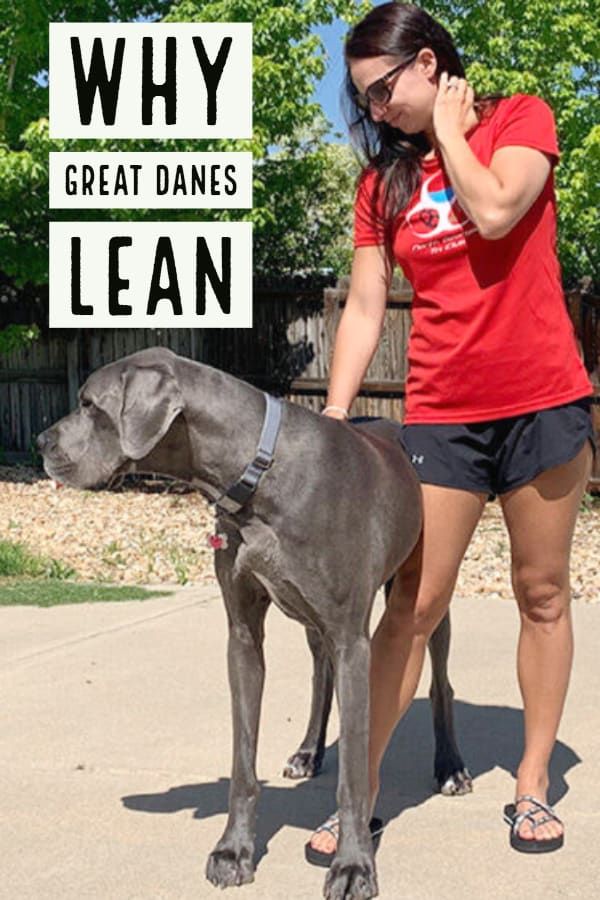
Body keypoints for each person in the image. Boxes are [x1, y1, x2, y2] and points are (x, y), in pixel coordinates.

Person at [306, 1, 596, 862]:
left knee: (541, 594)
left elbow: (499, 208)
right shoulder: (380, 186)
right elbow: (365, 307)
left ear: (429, 63)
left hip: (545, 403)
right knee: (412, 605)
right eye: (363, 100)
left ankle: (533, 781)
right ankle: (357, 796)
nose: (375, 111)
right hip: (444, 414)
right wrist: (330, 417)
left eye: (384, 89)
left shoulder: (519, 118)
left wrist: (452, 133)